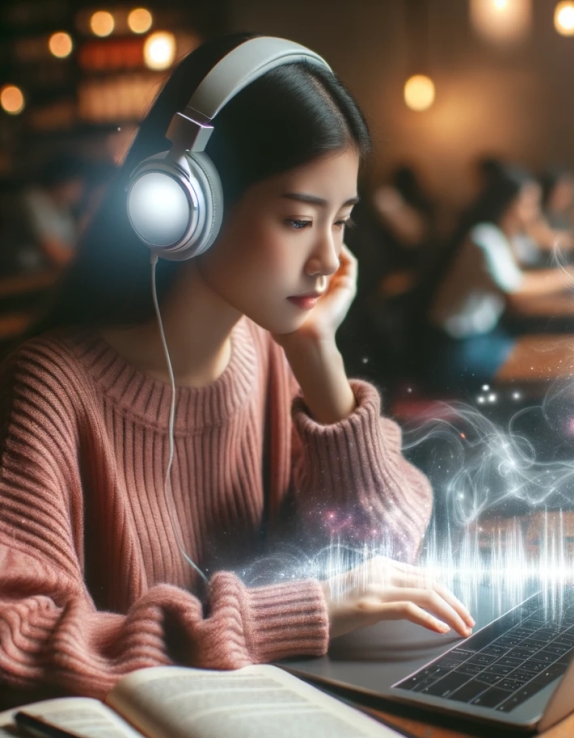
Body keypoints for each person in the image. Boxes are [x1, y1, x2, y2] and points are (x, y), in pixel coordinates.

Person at [0, 33, 474, 703]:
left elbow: (383, 552)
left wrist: (317, 358)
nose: (330, 261)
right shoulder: (50, 389)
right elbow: (17, 640)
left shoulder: (270, 358)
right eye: (297, 220)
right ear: (187, 207)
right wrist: (286, 617)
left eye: (341, 223)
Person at [422, 165, 574, 390]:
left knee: (549, 358)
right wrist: (569, 277)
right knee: (543, 372)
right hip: (458, 346)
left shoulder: (499, 235)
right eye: (528, 204)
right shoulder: (483, 237)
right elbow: (516, 289)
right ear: (507, 203)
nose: (533, 212)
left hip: (483, 335)